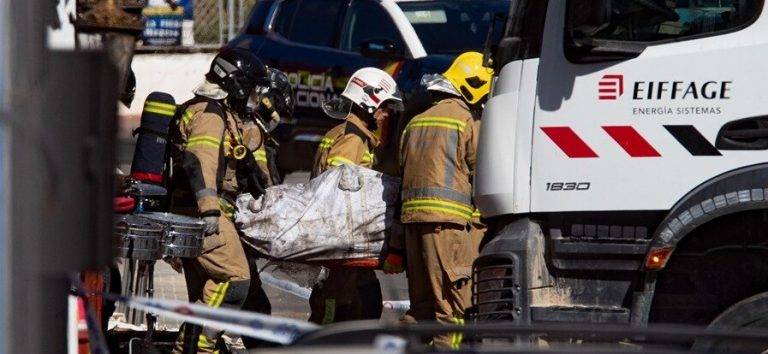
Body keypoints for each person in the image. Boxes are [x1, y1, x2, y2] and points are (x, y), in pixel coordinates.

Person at [168, 48, 277, 353]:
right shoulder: (211, 114)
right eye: (251, 88)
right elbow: (199, 161)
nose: (252, 96)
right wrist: (210, 211)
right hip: (202, 215)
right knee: (235, 278)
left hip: (193, 212)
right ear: (238, 83)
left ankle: (197, 347)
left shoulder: (216, 112)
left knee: (207, 290)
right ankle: (197, 348)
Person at [396, 51, 493, 349]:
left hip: (413, 227)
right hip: (447, 227)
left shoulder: (415, 122)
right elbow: (483, 171)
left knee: (420, 307)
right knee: (451, 310)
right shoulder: (466, 120)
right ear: (474, 85)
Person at [308, 67, 403, 324]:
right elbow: (338, 191)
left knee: (367, 299)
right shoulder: (352, 140)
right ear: (368, 104)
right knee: (339, 305)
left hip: (347, 240)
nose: (386, 116)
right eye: (384, 108)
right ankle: (322, 341)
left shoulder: (343, 133)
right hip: (341, 240)